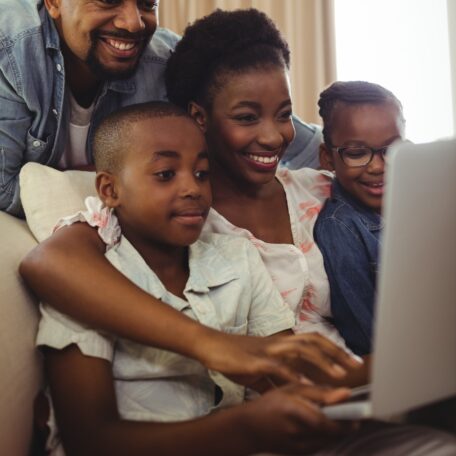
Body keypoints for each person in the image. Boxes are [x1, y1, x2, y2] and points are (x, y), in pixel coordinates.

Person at [38, 101, 355, 455]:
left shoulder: (238, 257)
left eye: (202, 173)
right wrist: (245, 428)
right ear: (110, 190)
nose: (192, 188)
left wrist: (328, 400)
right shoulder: (87, 286)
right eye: (165, 174)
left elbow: (281, 376)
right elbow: (90, 442)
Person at [0, 0, 319, 217]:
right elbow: (4, 190)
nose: (133, 23)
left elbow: (310, 148)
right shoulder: (10, 49)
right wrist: (134, 177)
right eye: (109, 0)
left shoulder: (165, 61)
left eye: (147, 3)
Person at [314, 81, 405, 356]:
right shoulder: (340, 229)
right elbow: (370, 340)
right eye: (357, 153)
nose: (378, 166)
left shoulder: (419, 196)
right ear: (328, 158)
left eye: (392, 149)